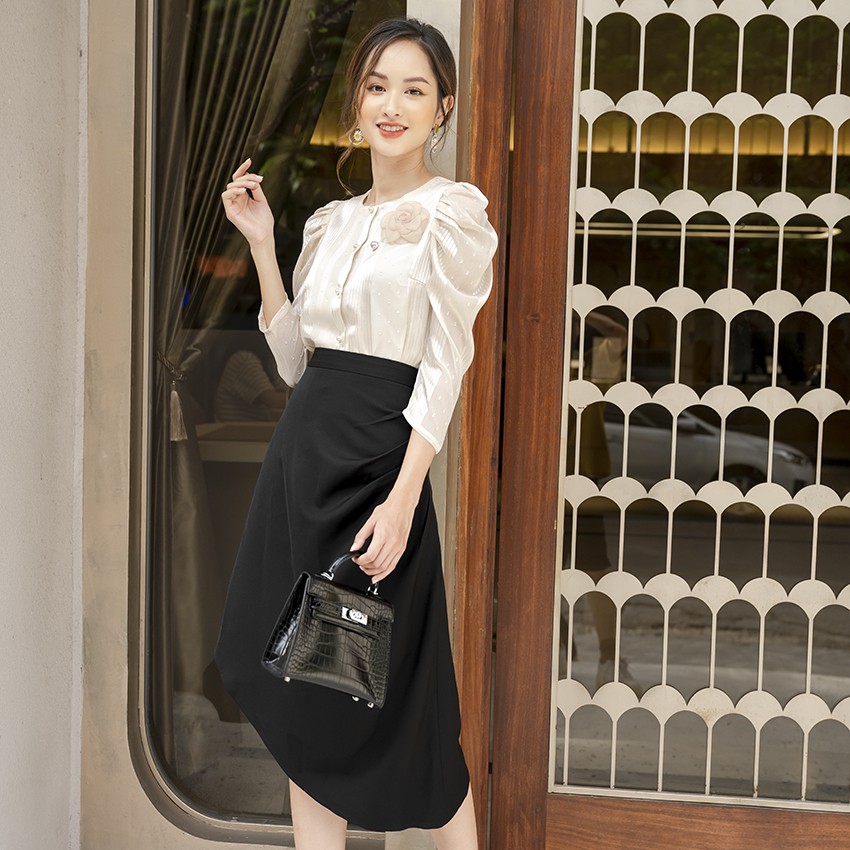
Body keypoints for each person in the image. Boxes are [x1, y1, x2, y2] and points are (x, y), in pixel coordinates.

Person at [214, 17, 498, 850]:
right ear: (357, 102)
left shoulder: (453, 213)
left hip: (379, 470)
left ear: (443, 108)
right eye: (377, 86)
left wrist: (406, 497)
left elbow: (445, 365)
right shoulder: (329, 223)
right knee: (300, 695)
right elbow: (294, 363)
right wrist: (262, 246)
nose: (392, 105)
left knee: (405, 704)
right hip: (301, 467)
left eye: (414, 89)